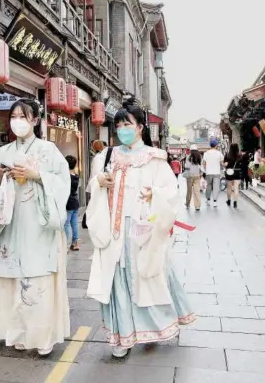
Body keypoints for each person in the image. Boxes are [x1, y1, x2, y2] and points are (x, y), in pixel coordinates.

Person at [85, 100, 194, 358]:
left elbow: (170, 192)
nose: (122, 129)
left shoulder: (155, 159)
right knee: (117, 282)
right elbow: (93, 184)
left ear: (140, 127)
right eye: (119, 125)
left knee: (148, 277)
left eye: (128, 124)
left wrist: (152, 196)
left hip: (142, 229)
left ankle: (155, 328)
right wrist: (99, 181)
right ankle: (122, 337)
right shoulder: (107, 156)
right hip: (113, 230)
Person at [0, 100, 70, 356]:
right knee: (12, 279)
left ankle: (42, 337)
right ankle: (17, 333)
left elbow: (64, 182)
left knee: (37, 278)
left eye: (24, 116)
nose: (18, 121)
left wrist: (37, 175)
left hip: (37, 224)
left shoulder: (48, 150)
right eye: (14, 116)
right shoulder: (3, 151)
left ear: (35, 120)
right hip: (11, 221)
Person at [202, 139, 224, 207]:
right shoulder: (219, 153)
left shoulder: (206, 153)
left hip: (209, 172)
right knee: (216, 187)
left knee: (208, 186)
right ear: (216, 145)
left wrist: (205, 170)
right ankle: (215, 201)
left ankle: (208, 200)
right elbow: (221, 163)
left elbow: (204, 164)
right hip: (216, 172)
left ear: (210, 145)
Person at [65, 155, 80, 251]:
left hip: (68, 202)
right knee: (74, 223)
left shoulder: (67, 177)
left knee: (66, 224)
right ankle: (75, 243)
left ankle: (66, 244)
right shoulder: (76, 176)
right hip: (75, 201)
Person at [223, 143, 242, 208]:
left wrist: (226, 164)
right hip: (237, 172)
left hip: (229, 172)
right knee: (236, 188)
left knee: (229, 188)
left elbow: (225, 164)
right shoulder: (240, 155)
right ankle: (235, 203)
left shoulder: (227, 155)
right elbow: (241, 165)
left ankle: (229, 201)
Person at [184, 146, 203, 211]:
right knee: (197, 191)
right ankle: (197, 206)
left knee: (189, 191)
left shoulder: (188, 157)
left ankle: (187, 204)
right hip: (197, 175)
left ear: (191, 150)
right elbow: (201, 166)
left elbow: (187, 166)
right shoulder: (199, 156)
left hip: (190, 175)